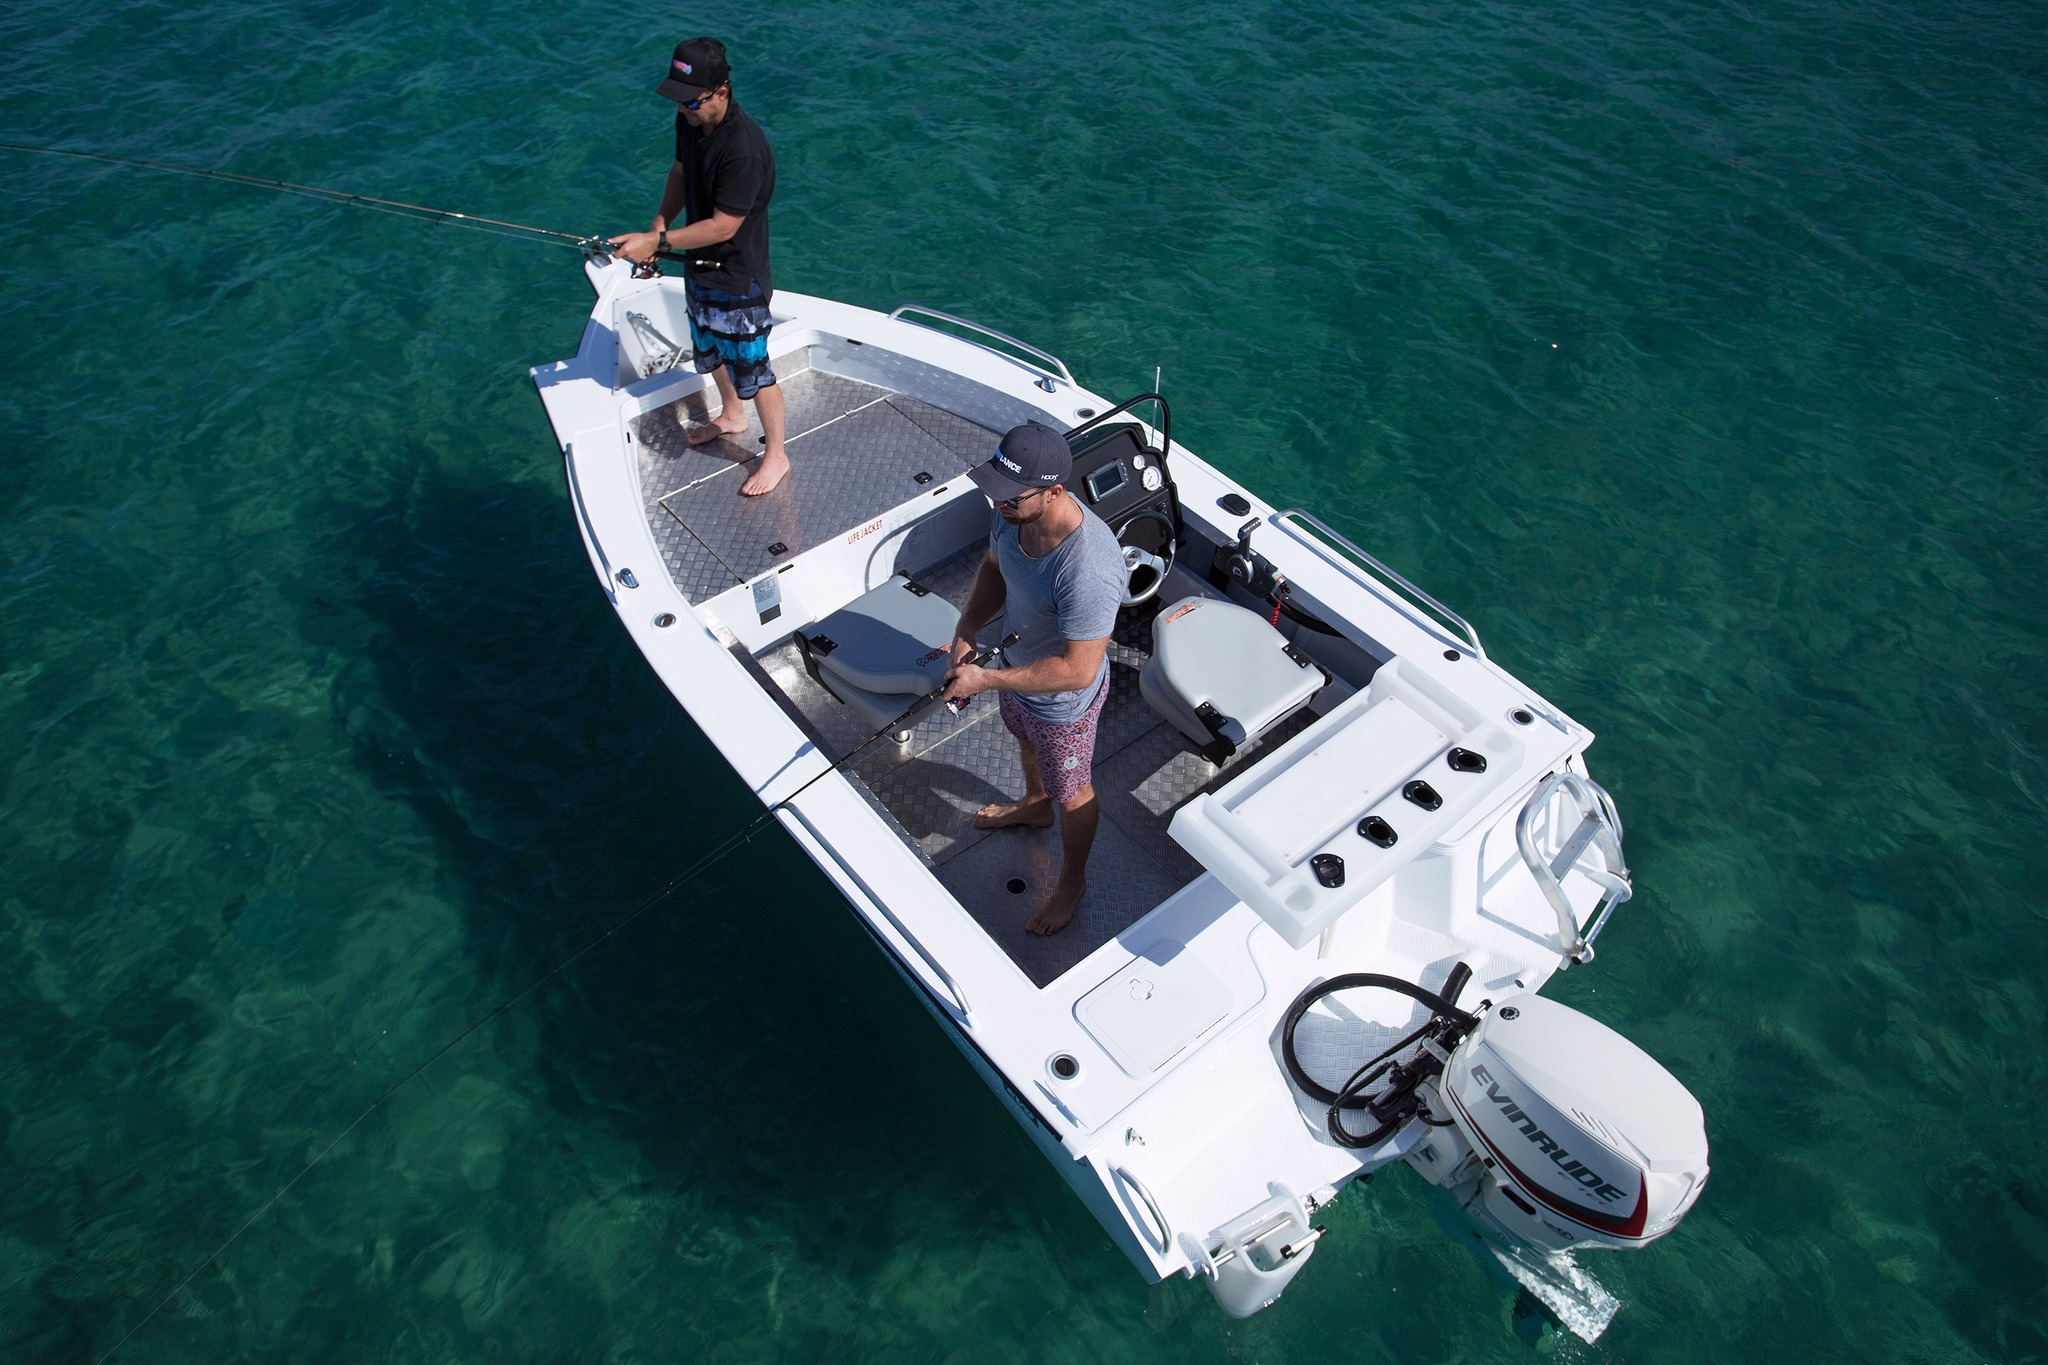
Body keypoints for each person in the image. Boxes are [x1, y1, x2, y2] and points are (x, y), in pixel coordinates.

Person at [941, 422, 1130, 936]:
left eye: (1011, 496)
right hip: (1013, 676)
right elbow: (994, 569)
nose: (998, 504)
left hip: (1063, 706)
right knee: (1024, 737)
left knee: (1073, 790)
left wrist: (987, 681)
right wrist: (968, 626)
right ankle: (1033, 808)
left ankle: (1071, 881)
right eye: (995, 490)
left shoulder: (1088, 568)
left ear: (1054, 491)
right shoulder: (1009, 512)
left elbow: (1077, 670)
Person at [608, 37, 786, 495]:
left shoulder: (743, 150)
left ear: (721, 91)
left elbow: (724, 226)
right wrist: (657, 227)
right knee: (707, 349)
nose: (684, 107)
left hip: (738, 276)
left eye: (692, 99)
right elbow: (680, 172)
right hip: (698, 267)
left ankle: (777, 456)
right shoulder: (690, 121)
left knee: (754, 368)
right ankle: (730, 414)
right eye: (678, 98)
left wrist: (657, 242)